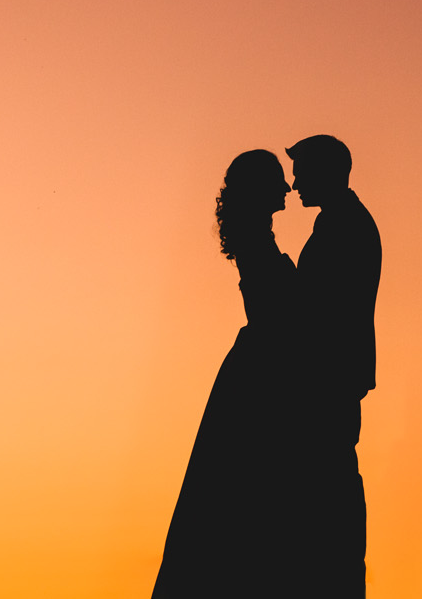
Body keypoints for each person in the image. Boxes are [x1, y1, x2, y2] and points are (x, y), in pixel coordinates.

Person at [152, 149, 310, 598]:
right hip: (262, 373)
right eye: (278, 181)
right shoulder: (257, 241)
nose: (286, 188)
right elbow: (281, 312)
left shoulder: (257, 236)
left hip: (259, 365)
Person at [287, 133, 381, 599]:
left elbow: (318, 307)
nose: (295, 182)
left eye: (302, 172)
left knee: (328, 489)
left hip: (330, 380)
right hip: (331, 379)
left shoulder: (345, 225)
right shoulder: (341, 222)